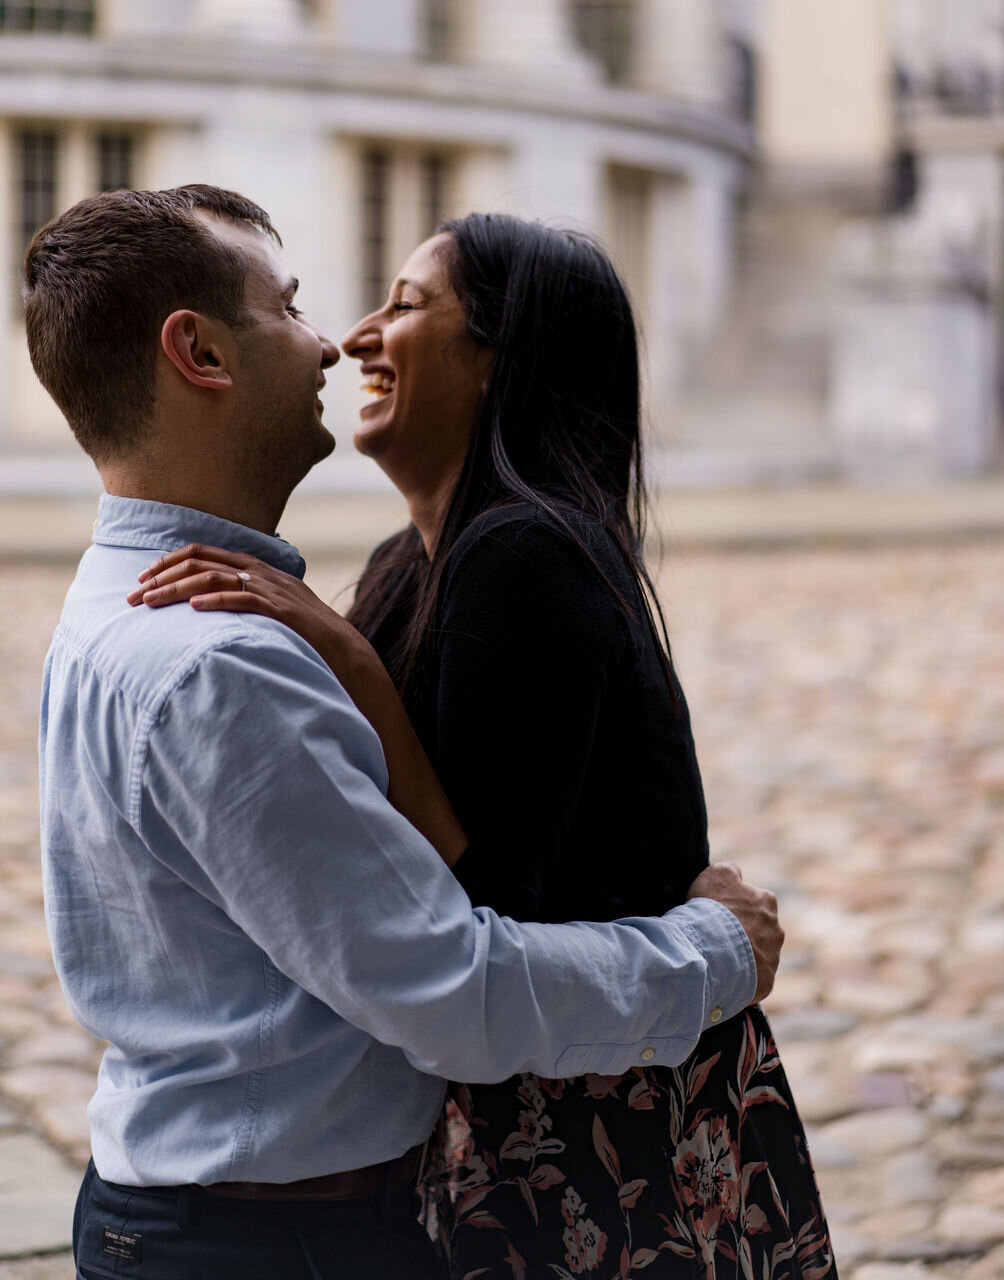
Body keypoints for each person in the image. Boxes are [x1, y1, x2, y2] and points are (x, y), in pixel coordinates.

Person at [25, 186, 783, 1280]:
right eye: (286, 307)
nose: (335, 339)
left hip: (257, 1215)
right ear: (198, 353)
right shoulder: (218, 657)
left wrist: (355, 665)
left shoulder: (151, 607)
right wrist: (715, 951)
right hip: (273, 1238)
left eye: (399, 303)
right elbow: (452, 989)